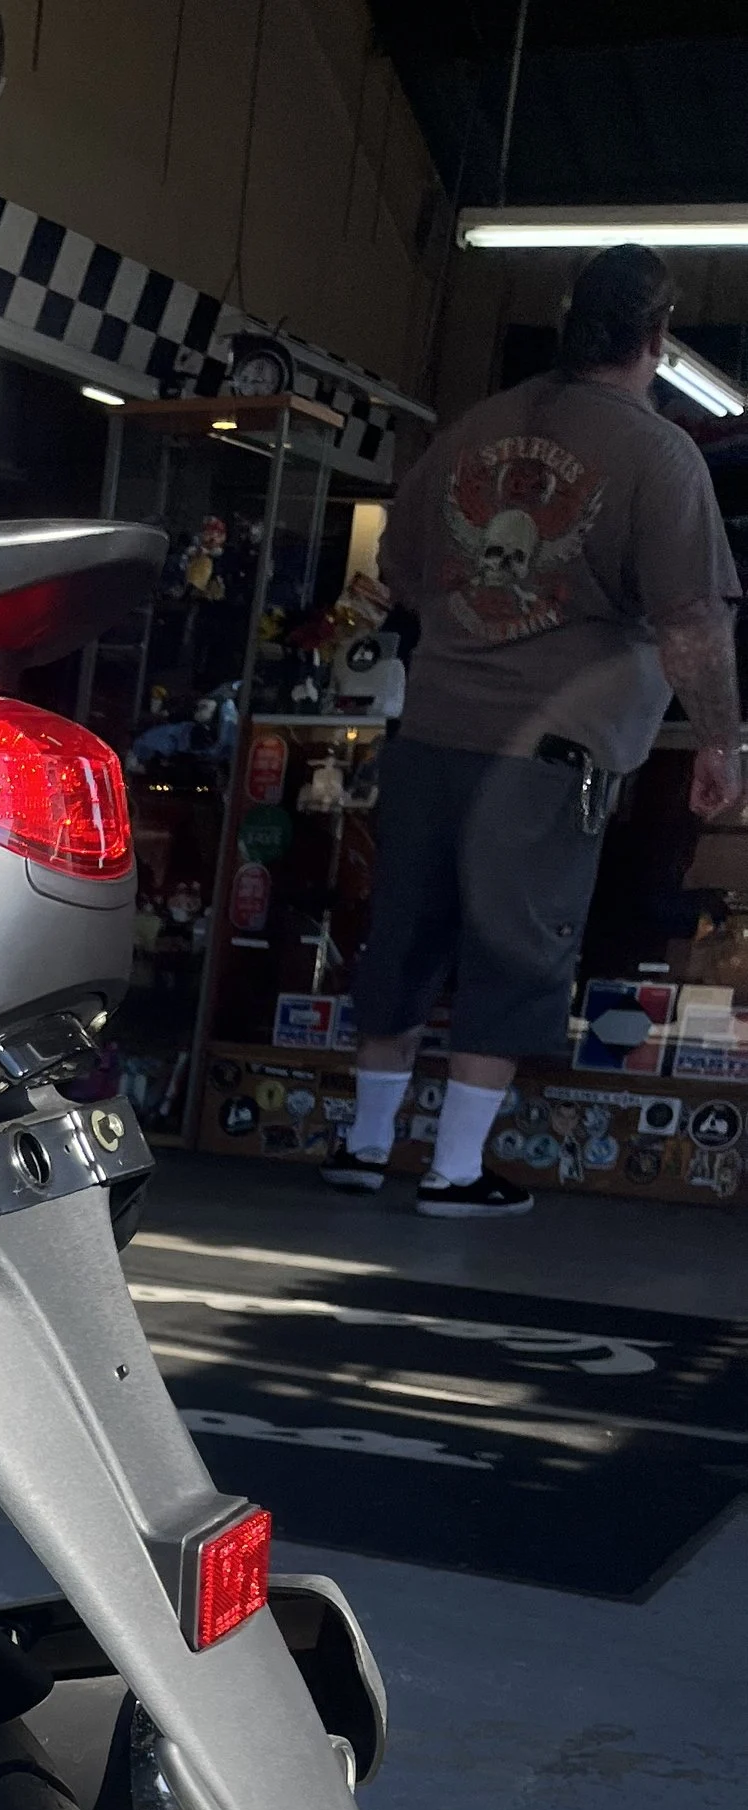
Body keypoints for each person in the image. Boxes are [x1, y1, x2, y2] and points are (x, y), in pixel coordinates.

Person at [321, 246, 744, 1219]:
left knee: (405, 937)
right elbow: (690, 620)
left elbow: (404, 567)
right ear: (655, 335)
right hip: (550, 747)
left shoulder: (477, 426)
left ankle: (361, 1145)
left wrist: (474, 624)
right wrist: (719, 740)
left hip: (431, 724)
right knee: (513, 947)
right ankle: (454, 1172)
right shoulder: (656, 452)